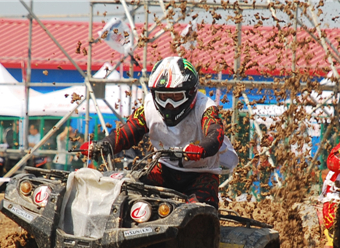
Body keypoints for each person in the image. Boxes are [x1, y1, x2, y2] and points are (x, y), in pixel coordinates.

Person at [81, 56, 231, 208]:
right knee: (129, 194)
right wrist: (103, 145)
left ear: (191, 93)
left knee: (199, 211)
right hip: (163, 170)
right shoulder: (148, 106)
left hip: (202, 174)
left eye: (175, 97)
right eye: (163, 96)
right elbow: (128, 131)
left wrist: (201, 148)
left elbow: (215, 133)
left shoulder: (206, 107)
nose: (169, 104)